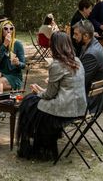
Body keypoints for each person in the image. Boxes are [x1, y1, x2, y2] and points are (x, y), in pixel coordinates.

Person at [17, 31, 87, 161]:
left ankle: (36, 149)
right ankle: (42, 147)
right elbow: (62, 90)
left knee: (28, 103)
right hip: (80, 108)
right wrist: (41, 91)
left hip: (65, 110)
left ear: (54, 46)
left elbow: (49, 95)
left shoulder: (56, 65)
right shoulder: (77, 61)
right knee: (33, 102)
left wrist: (38, 91)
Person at [0, 19, 26, 130]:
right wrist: (4, 45)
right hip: (1, 73)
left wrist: (18, 63)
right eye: (6, 28)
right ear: (1, 31)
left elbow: (23, 65)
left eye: (11, 28)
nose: (9, 31)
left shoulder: (17, 44)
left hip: (14, 76)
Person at [73, 20, 103, 113]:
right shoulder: (93, 43)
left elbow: (80, 82)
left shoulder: (91, 54)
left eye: (76, 34)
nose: (73, 37)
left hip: (92, 101)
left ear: (86, 36)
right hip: (93, 94)